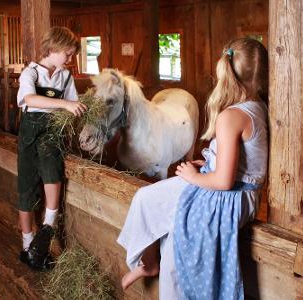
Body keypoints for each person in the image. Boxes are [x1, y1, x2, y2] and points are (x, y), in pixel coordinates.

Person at [117, 37, 268, 299]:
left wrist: (193, 175)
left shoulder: (231, 116)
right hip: (237, 189)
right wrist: (208, 164)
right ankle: (149, 263)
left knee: (179, 237)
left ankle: (172, 283)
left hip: (230, 197)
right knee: (145, 198)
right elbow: (243, 160)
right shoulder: (258, 106)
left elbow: (223, 182)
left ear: (225, 71)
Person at [16, 26, 87, 271]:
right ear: (54, 48)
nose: (70, 59)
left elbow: (74, 104)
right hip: (29, 136)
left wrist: (76, 108)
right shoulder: (31, 73)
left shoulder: (65, 77)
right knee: (26, 189)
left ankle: (44, 236)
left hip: (52, 134)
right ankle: (27, 247)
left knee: (53, 176)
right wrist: (64, 104)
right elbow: (30, 100)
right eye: (67, 53)